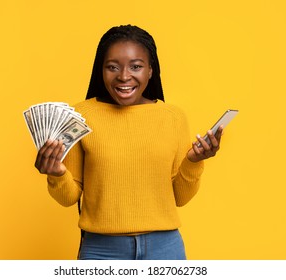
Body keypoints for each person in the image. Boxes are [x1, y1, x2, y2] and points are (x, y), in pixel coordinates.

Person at [34, 24, 223, 260]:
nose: (124, 76)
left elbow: (180, 198)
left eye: (136, 66)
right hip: (100, 250)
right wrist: (56, 173)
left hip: (164, 249)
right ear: (101, 70)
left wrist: (193, 162)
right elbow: (68, 198)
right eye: (112, 67)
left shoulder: (173, 118)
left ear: (151, 70)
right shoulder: (79, 116)